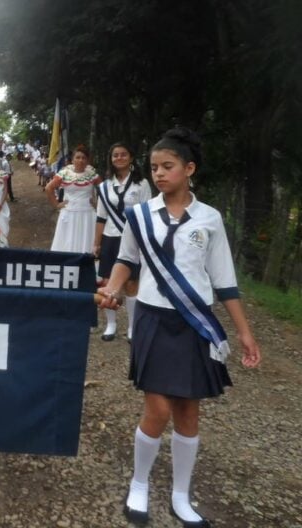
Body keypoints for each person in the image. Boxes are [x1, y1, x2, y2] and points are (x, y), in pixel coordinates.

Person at [98, 127, 261, 527]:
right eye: (154, 167)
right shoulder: (140, 215)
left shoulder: (210, 219)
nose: (159, 174)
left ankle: (181, 495)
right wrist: (115, 288)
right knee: (157, 408)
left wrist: (243, 331)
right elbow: (127, 261)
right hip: (152, 319)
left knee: (189, 411)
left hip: (193, 324)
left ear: (189, 168)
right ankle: (139, 485)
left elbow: (224, 281)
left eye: (168, 166)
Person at [93, 143, 152, 342]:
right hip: (110, 237)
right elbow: (101, 216)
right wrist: (96, 243)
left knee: (132, 283)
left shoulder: (142, 184)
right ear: (111, 159)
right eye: (115, 155)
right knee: (109, 282)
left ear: (131, 157)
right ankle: (111, 325)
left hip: (134, 238)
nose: (119, 158)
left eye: (123, 154)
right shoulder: (105, 185)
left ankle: (132, 327)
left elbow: (147, 214)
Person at [45, 145, 101, 253]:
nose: (81, 160)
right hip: (69, 213)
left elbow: (104, 190)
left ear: (87, 160)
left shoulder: (92, 173)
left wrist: (97, 204)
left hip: (88, 214)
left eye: (84, 158)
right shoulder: (64, 173)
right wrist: (57, 204)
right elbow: (48, 188)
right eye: (78, 157)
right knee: (66, 242)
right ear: (72, 159)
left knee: (87, 242)